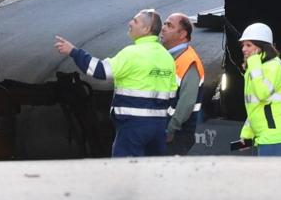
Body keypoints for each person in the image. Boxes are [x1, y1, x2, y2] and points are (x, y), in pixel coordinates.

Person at [54, 9, 177, 157]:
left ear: (146, 29)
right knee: (153, 172)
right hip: (158, 128)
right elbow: (173, 95)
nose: (130, 23)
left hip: (133, 127)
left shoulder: (133, 53)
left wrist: (74, 51)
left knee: (124, 172)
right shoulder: (167, 57)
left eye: (135, 21)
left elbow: (99, 70)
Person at [235, 23, 281, 157]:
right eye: (243, 45)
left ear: (261, 46)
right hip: (267, 136)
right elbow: (254, 108)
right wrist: (247, 133)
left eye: (249, 45)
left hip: (274, 137)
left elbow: (262, 94)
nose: (244, 49)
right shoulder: (255, 68)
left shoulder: (273, 66)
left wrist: (254, 62)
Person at [160, 12, 205, 155]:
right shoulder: (169, 57)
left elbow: (187, 102)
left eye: (169, 25)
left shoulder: (189, 61)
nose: (163, 28)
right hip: (167, 130)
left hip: (176, 134)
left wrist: (171, 128)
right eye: (164, 23)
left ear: (182, 34)